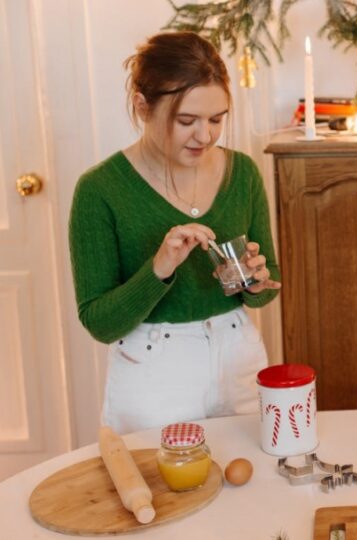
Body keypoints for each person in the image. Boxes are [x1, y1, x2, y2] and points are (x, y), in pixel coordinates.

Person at [69, 31, 281, 434]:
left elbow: (268, 284)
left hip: (239, 359)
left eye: (217, 119)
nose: (205, 135)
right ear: (142, 107)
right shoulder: (99, 190)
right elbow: (100, 322)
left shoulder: (243, 173)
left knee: (253, 485)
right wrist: (160, 269)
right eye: (186, 121)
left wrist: (255, 281)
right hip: (152, 374)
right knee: (159, 490)